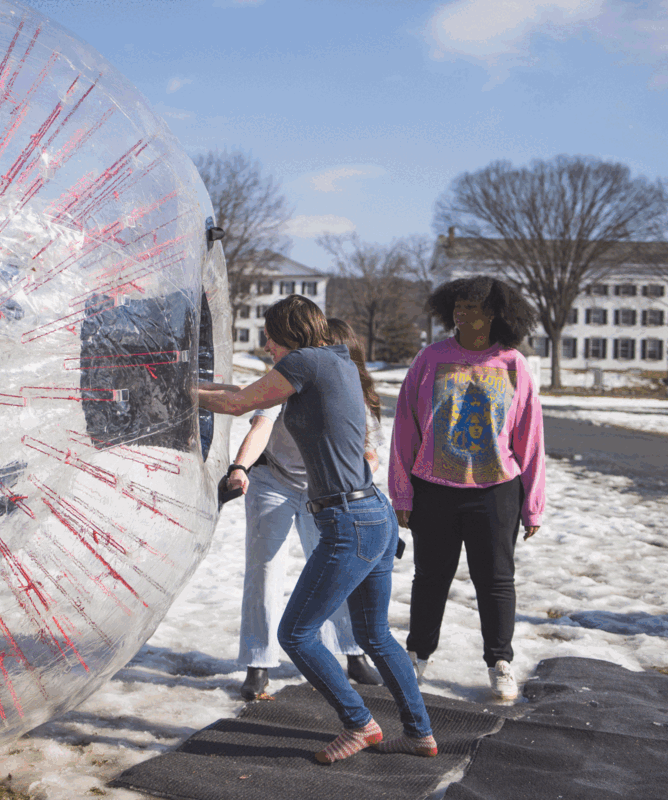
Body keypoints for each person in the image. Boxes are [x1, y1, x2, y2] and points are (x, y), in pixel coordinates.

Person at [200, 295, 435, 764]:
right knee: (377, 635)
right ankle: (419, 733)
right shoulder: (335, 361)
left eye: (268, 335)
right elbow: (246, 390)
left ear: (287, 331)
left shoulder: (306, 362)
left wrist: (175, 392)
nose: (265, 344)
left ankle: (359, 724)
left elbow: (236, 403)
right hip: (373, 514)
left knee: (298, 633)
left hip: (348, 521)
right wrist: (191, 383)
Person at [387, 275, 545, 702]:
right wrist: (402, 493)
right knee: (430, 578)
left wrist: (532, 505)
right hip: (434, 489)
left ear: (494, 314)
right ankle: (416, 656)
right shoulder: (430, 358)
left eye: (471, 307)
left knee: (495, 580)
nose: (461, 313)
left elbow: (530, 438)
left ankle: (500, 661)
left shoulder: (513, 363)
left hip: (495, 491)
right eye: (457, 306)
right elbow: (405, 426)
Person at [225, 318, 384, 701]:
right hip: (273, 481)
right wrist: (241, 466)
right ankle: (258, 662)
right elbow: (261, 426)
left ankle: (351, 652)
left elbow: (370, 456)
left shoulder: (354, 394)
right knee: (264, 568)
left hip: (324, 492)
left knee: (336, 571)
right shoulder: (290, 377)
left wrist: (348, 481)